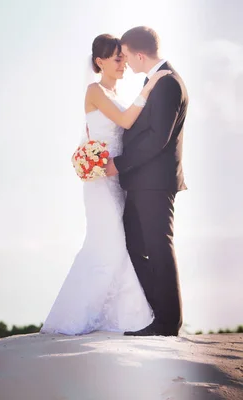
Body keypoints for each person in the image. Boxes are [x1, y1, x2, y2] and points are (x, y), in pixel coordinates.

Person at [40, 33, 171, 335]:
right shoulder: (94, 91)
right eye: (116, 57)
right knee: (108, 243)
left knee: (121, 243)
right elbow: (125, 122)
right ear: (100, 62)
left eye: (123, 56)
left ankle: (127, 317)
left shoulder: (120, 96)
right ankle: (81, 318)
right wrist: (150, 87)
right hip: (101, 184)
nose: (123, 61)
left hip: (119, 180)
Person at [105, 26, 188, 337]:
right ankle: (158, 313)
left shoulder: (168, 83)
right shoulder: (155, 81)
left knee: (158, 248)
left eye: (125, 55)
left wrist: (119, 164)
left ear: (139, 55)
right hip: (142, 180)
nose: (124, 62)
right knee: (135, 244)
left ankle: (167, 323)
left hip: (154, 182)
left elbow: (157, 139)